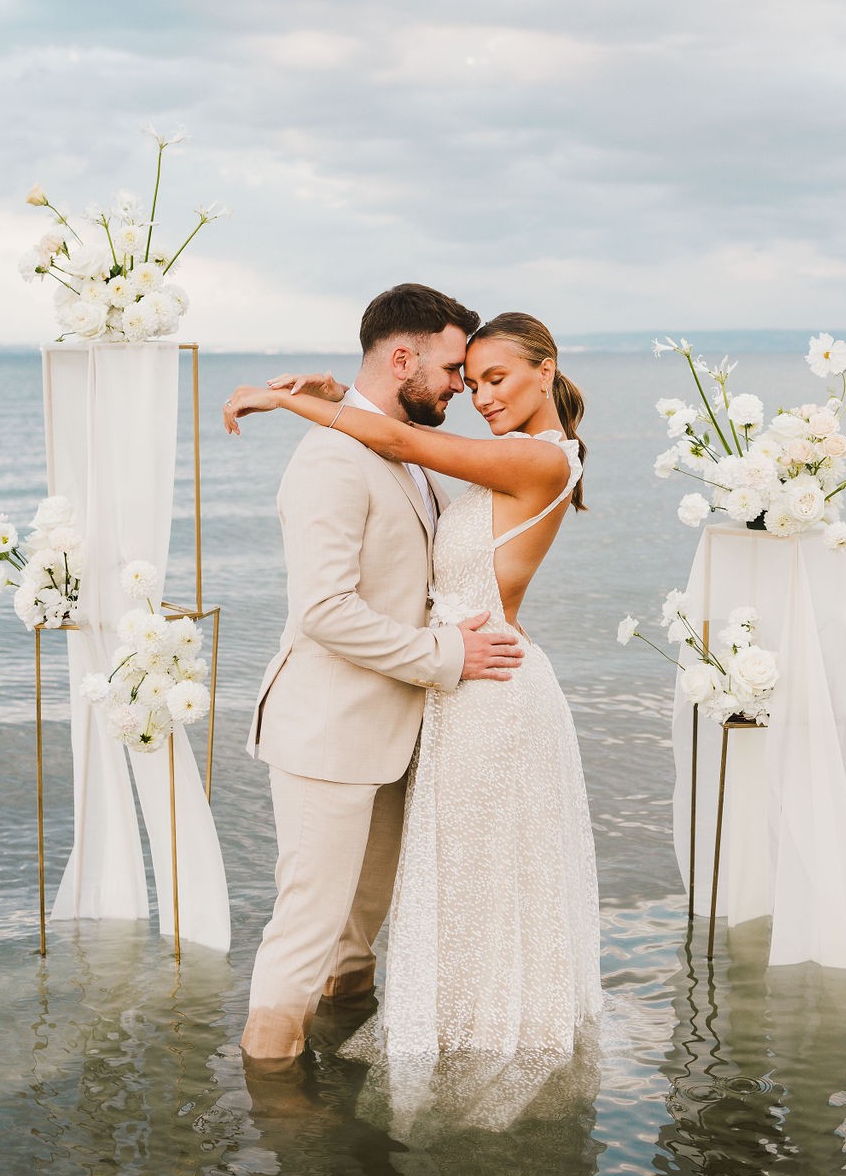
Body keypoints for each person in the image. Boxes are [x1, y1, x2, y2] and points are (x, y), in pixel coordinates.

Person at [225, 313, 603, 1120]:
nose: (476, 395)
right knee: (371, 907)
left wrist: (292, 401)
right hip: (416, 704)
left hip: (477, 693)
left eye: (493, 378)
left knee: (475, 880)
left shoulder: (533, 457)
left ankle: (476, 1025)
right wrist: (336, 396)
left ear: (547, 370)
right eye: (467, 380)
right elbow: (385, 518)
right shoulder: (415, 461)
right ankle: (284, 1118)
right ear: (407, 360)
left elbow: (400, 445)